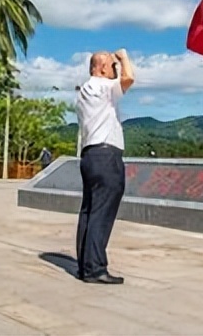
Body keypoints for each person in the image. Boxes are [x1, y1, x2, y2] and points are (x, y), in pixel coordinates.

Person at [74, 49, 134, 285]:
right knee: (102, 211)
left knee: (89, 211)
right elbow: (129, 79)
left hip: (89, 155)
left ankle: (85, 265)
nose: (115, 70)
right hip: (106, 155)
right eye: (111, 66)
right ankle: (96, 268)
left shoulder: (83, 91)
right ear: (100, 69)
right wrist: (123, 57)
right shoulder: (102, 86)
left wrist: (115, 65)